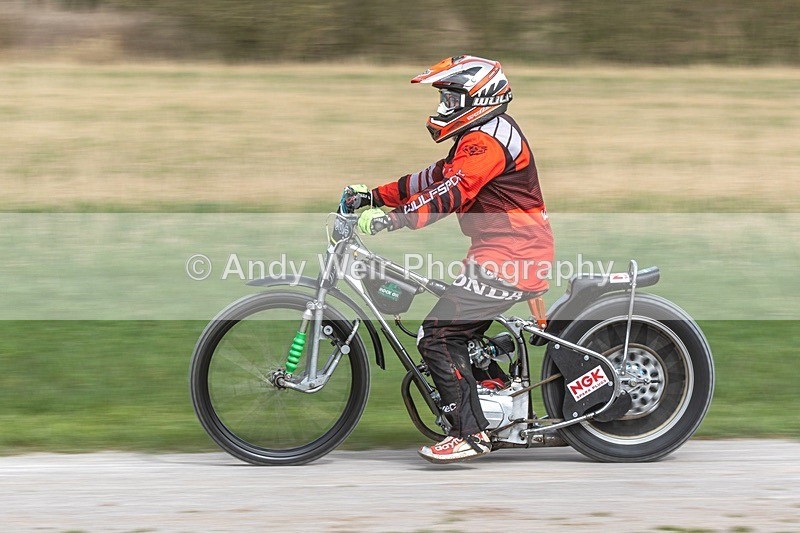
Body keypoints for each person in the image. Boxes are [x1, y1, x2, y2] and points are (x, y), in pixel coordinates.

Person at [343, 55, 554, 464]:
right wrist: (375, 195)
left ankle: (469, 434)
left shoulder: (487, 143)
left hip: (513, 257)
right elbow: (432, 178)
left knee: (438, 334)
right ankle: (492, 396)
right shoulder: (479, 136)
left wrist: (391, 221)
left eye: (450, 100)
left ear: (479, 98)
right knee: (453, 326)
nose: (443, 109)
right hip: (500, 252)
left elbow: (450, 194)